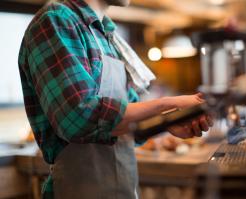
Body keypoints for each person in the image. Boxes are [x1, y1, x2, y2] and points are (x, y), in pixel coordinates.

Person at [18, 0, 212, 198]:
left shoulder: (107, 35)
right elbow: (78, 118)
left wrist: (168, 121)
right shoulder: (56, 20)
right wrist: (167, 104)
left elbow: (125, 123)